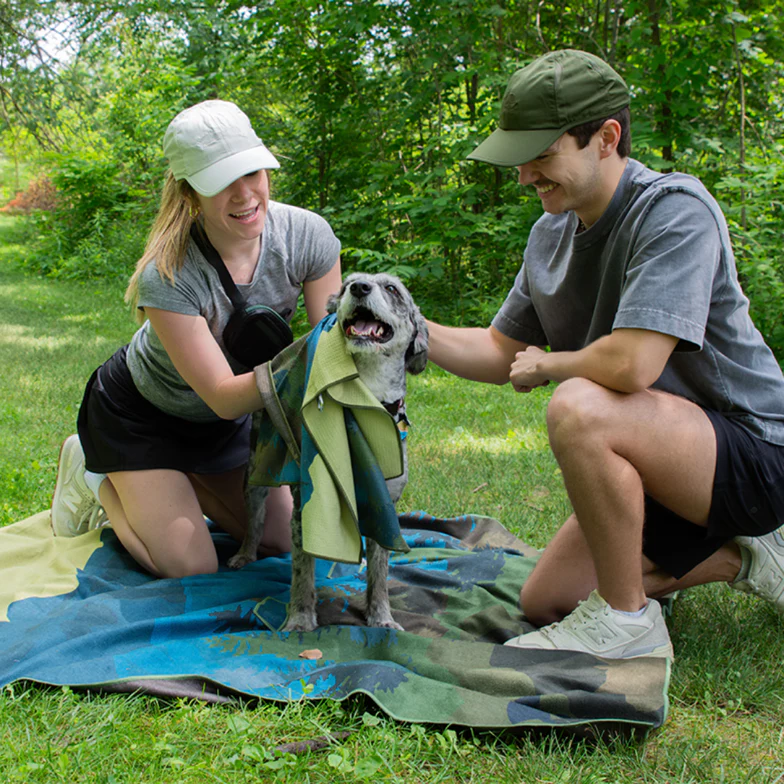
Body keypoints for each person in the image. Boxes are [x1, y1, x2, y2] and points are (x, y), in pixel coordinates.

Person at [427, 49, 784, 659]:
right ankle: (750, 555)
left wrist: (551, 365)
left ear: (606, 138)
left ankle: (627, 624)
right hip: (657, 460)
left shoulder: (674, 210)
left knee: (580, 405)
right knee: (547, 601)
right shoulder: (549, 235)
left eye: (541, 155)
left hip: (753, 452)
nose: (524, 176)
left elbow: (632, 366)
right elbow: (495, 350)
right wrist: (401, 324)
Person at [50, 100, 342, 578]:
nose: (245, 194)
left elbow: (331, 351)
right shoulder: (167, 272)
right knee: (193, 567)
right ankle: (95, 475)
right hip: (142, 417)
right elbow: (228, 396)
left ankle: (178, 483)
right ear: (190, 194)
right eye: (221, 183)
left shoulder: (309, 236)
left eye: (253, 172)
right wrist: (317, 359)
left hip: (224, 427)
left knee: (277, 541)